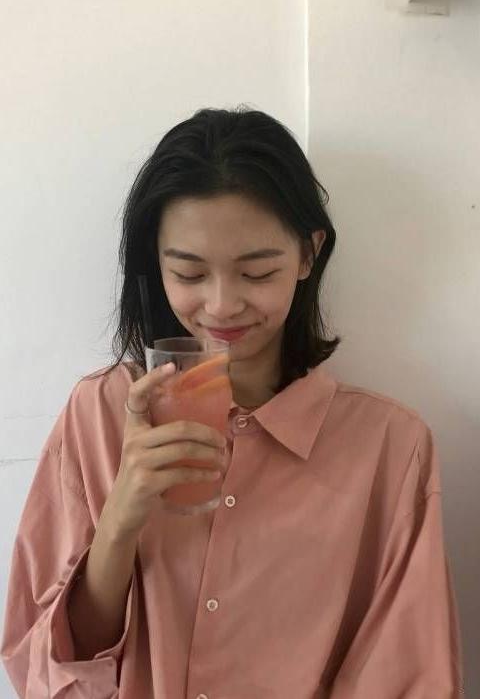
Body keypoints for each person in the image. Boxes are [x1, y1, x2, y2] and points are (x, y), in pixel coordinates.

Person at [1, 106, 464, 698]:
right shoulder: (98, 414)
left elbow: (409, 678)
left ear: (307, 254)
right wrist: (119, 520)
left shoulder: (390, 448)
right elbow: (45, 666)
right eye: (190, 274)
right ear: (156, 266)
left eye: (257, 272)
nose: (221, 306)